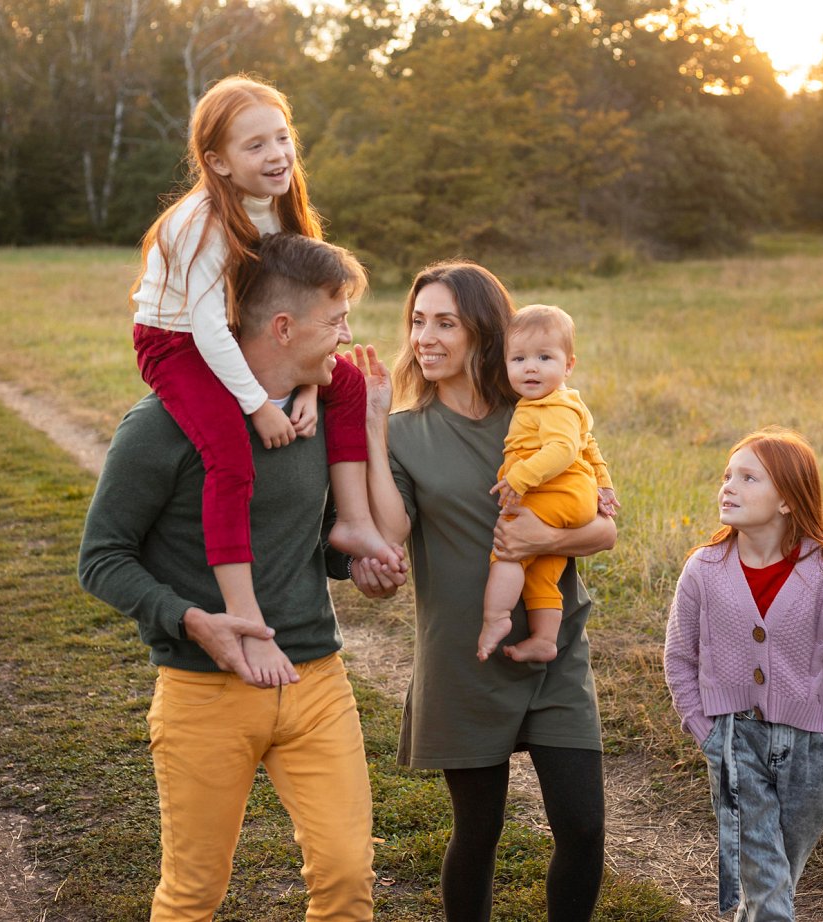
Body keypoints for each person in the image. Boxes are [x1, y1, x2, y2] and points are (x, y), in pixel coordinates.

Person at [80, 233, 403, 922]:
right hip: (203, 692)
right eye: (336, 318)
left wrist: (354, 564)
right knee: (194, 895)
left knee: (348, 880)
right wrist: (194, 621)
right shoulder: (162, 427)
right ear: (283, 328)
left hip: (316, 679)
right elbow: (102, 558)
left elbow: (304, 540)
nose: (349, 333)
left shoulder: (316, 410)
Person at [352, 263, 616, 922]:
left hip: (552, 645)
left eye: (445, 322)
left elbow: (604, 532)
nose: (425, 337)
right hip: (464, 654)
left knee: (583, 828)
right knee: (479, 833)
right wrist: (374, 426)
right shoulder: (407, 433)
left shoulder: (541, 411)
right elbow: (392, 529)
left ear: (482, 331)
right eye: (418, 321)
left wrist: (538, 544)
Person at [130, 74, 400, 685]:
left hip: (236, 333)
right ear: (217, 162)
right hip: (178, 343)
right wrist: (259, 406)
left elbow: (308, 299)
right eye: (255, 146)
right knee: (230, 458)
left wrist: (309, 385)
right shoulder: (196, 223)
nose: (276, 155)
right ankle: (246, 614)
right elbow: (204, 330)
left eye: (282, 138)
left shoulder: (281, 203)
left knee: (350, 384)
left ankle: (352, 520)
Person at [663, 427, 823, 921]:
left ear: (787, 500)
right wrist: (705, 730)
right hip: (733, 740)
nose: (728, 486)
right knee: (766, 879)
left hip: (810, 750)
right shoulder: (704, 570)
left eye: (748, 477)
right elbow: (679, 658)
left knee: (776, 874)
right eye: (726, 475)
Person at [478, 304, 619, 663]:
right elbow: (589, 446)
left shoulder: (553, 406)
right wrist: (604, 486)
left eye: (544, 357)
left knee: (510, 547)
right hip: (573, 496)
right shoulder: (567, 403)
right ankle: (544, 639)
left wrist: (520, 478)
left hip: (555, 491)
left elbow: (564, 449)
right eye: (519, 358)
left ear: (569, 365)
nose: (531, 367)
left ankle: (495, 618)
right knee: (541, 572)